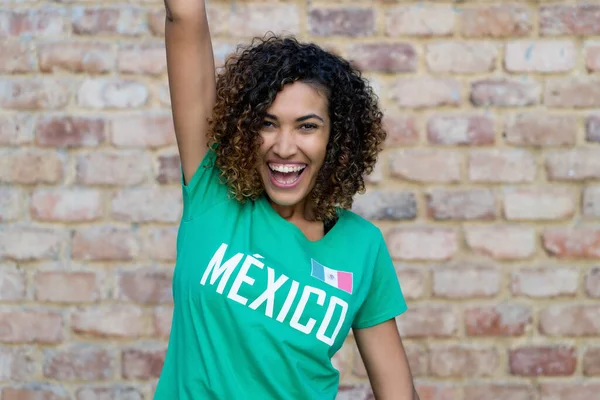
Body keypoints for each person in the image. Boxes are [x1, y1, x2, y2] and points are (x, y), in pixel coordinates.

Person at [153, 0, 419, 399]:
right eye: (267, 123)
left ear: (336, 138)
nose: (284, 146)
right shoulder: (214, 193)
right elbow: (184, 16)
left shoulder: (362, 246)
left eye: (307, 127)